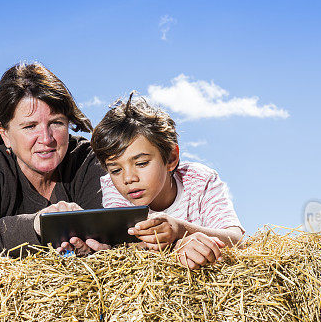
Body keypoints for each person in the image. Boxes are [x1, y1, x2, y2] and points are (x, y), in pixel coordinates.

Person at [0, 62, 107, 255]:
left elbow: (117, 227)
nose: (46, 139)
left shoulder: (88, 160)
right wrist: (36, 225)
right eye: (30, 126)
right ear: (4, 133)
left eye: (56, 123)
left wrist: (100, 247)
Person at [90, 93, 244, 269]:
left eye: (141, 163)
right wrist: (176, 246)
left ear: (171, 158)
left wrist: (180, 229)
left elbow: (237, 240)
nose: (128, 178)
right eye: (116, 170)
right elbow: (125, 248)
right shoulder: (112, 186)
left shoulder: (200, 180)